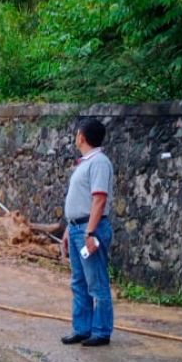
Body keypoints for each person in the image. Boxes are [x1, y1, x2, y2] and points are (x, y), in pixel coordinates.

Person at [60, 118, 115, 347]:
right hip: (76, 227)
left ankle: (101, 331)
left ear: (81, 136)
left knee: (96, 281)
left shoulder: (99, 162)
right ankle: (82, 328)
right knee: (79, 281)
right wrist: (68, 230)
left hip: (88, 228)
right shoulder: (85, 162)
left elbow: (99, 199)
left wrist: (90, 232)